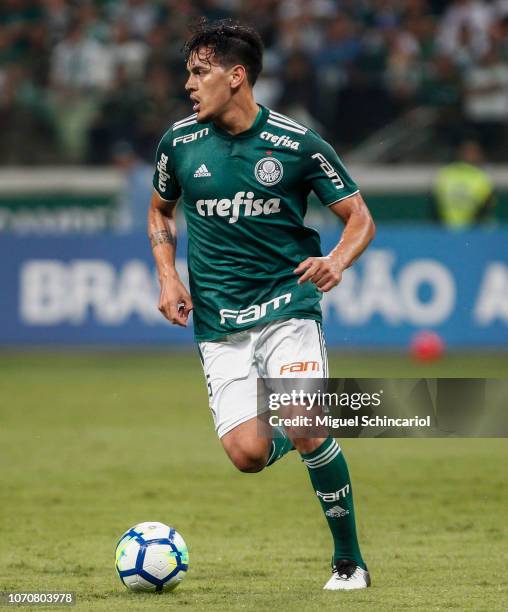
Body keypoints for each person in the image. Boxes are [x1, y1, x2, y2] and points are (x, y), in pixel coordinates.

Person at [148, 19, 375, 591]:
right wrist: (167, 277)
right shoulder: (177, 144)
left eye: (200, 73)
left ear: (237, 76)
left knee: (304, 424)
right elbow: (159, 210)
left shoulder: (297, 144)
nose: (189, 85)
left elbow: (360, 218)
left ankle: (349, 562)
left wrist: (337, 262)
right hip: (219, 319)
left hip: (287, 306)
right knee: (247, 455)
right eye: (188, 74)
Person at [433, 139, 496, 227]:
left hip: (473, 230)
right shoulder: (447, 173)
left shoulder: (482, 178)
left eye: (473, 152)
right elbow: (435, 204)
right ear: (459, 153)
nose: (469, 155)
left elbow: (487, 208)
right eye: (466, 152)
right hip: (445, 229)